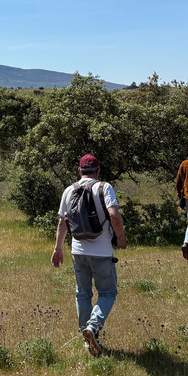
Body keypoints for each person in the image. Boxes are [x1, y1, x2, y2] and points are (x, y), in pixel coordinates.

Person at [51, 153, 128, 357]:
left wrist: (58, 249)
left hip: (78, 251)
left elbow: (63, 223)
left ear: (79, 171)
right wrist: (120, 237)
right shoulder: (104, 187)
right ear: (98, 170)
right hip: (102, 252)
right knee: (108, 293)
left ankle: (86, 338)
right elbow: (114, 215)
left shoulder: (69, 190)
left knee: (82, 293)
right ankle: (92, 328)